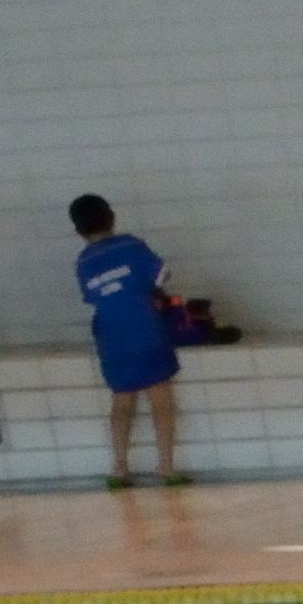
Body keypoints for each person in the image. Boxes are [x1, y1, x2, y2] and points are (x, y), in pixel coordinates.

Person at [70, 193, 184, 490]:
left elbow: (90, 297)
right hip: (146, 330)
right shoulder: (130, 246)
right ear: (112, 217)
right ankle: (167, 468)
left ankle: (119, 469)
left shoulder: (83, 262)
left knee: (121, 402)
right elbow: (162, 275)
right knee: (161, 400)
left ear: (78, 230)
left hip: (112, 338)